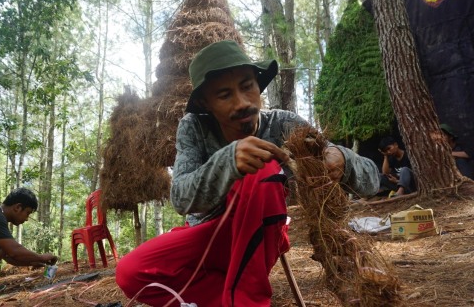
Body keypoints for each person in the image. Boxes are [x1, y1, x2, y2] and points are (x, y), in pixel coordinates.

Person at [115, 40, 379, 307]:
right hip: (209, 234)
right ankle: (229, 296)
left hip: (263, 233)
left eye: (247, 86)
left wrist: (343, 159)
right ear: (206, 103)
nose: (242, 102)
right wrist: (228, 161)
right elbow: (182, 199)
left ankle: (247, 300)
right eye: (224, 95)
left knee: (262, 167)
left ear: (258, 84)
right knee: (131, 273)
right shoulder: (194, 127)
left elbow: (371, 180)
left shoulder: (284, 124)